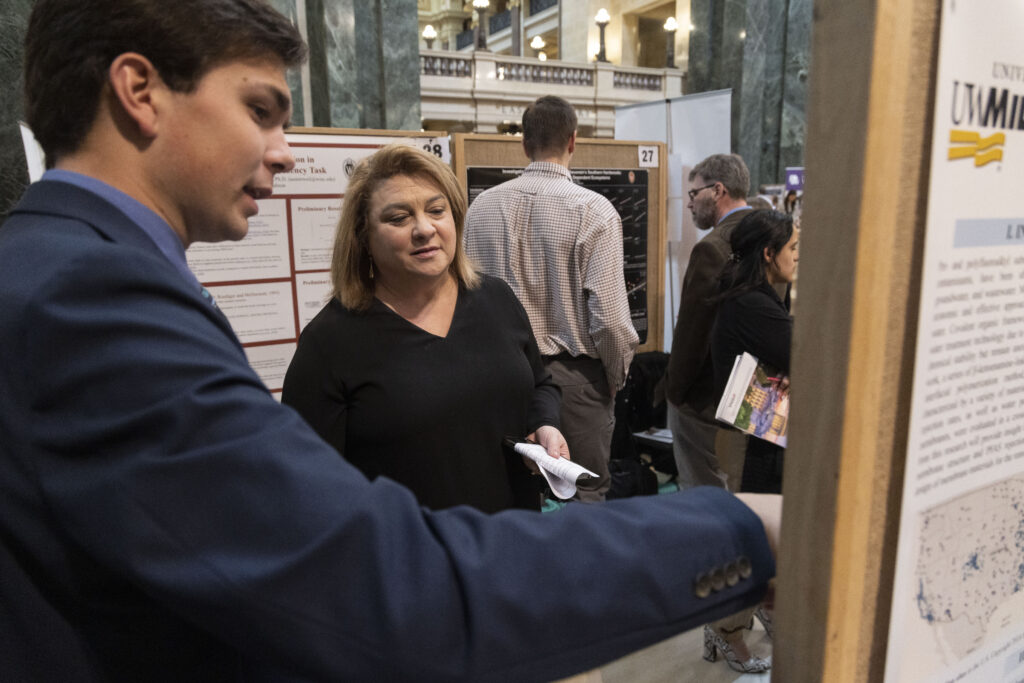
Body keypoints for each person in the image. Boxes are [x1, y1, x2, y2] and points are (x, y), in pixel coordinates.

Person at [0, 1, 778, 680]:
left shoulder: (52, 264)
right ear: (140, 92)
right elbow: (369, 577)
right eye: (262, 109)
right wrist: (741, 526)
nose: (282, 148)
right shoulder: (92, 297)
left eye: (435, 211)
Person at [282, 144, 567, 513]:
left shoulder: (495, 299)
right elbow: (309, 480)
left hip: (511, 541)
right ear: (364, 237)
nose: (424, 229)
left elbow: (540, 385)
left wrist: (545, 423)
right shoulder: (331, 341)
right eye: (398, 218)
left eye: (437, 210)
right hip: (411, 557)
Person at [464, 95, 638, 503]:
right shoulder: (595, 211)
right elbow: (610, 320)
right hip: (575, 381)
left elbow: (465, 297)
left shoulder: (480, 208)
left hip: (498, 375)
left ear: (524, 143)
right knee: (586, 493)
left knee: (509, 492)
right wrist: (615, 377)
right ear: (573, 141)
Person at [665, 154, 755, 492]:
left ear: (717, 191)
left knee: (701, 494)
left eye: (693, 194)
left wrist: (673, 392)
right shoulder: (772, 235)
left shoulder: (713, 248)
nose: (689, 205)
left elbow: (693, 333)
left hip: (705, 400)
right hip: (751, 395)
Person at [711, 210, 797, 495]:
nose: (797, 256)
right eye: (792, 248)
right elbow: (806, 356)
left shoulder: (753, 295)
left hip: (756, 439)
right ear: (769, 253)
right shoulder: (752, 304)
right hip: (749, 443)